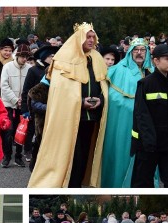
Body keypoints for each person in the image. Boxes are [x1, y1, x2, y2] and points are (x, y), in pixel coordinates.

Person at [28, 22, 109, 188]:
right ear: (79, 38)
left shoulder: (97, 59)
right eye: (88, 36)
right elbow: (59, 94)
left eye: (93, 37)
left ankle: (77, 185)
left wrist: (101, 99)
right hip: (69, 120)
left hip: (91, 119)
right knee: (70, 157)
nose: (91, 40)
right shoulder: (62, 60)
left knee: (85, 157)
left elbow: (104, 85)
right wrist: (80, 103)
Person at [130, 44, 168, 188]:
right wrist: (149, 143)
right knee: (142, 183)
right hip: (148, 146)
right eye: (167, 58)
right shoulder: (146, 84)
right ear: (156, 61)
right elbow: (141, 115)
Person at [102, 38, 154, 187]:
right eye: (136, 50)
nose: (139, 53)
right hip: (124, 121)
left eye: (142, 50)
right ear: (130, 52)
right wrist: (131, 107)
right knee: (123, 152)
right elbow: (112, 96)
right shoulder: (118, 69)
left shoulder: (152, 71)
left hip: (148, 123)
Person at [21, 44, 60, 168]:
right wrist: (25, 109)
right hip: (39, 115)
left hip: (54, 117)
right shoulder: (33, 70)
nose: (53, 58)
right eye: (51, 56)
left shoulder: (57, 71)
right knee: (35, 135)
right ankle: (31, 157)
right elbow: (27, 91)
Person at [0, 43, 31, 168]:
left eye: (26, 57)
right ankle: (7, 155)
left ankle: (18, 156)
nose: (24, 59)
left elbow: (30, 86)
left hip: (23, 105)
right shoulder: (7, 67)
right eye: (22, 56)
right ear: (17, 56)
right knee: (8, 130)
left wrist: (23, 101)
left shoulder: (29, 68)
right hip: (8, 103)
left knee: (21, 130)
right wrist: (14, 99)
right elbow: (4, 85)